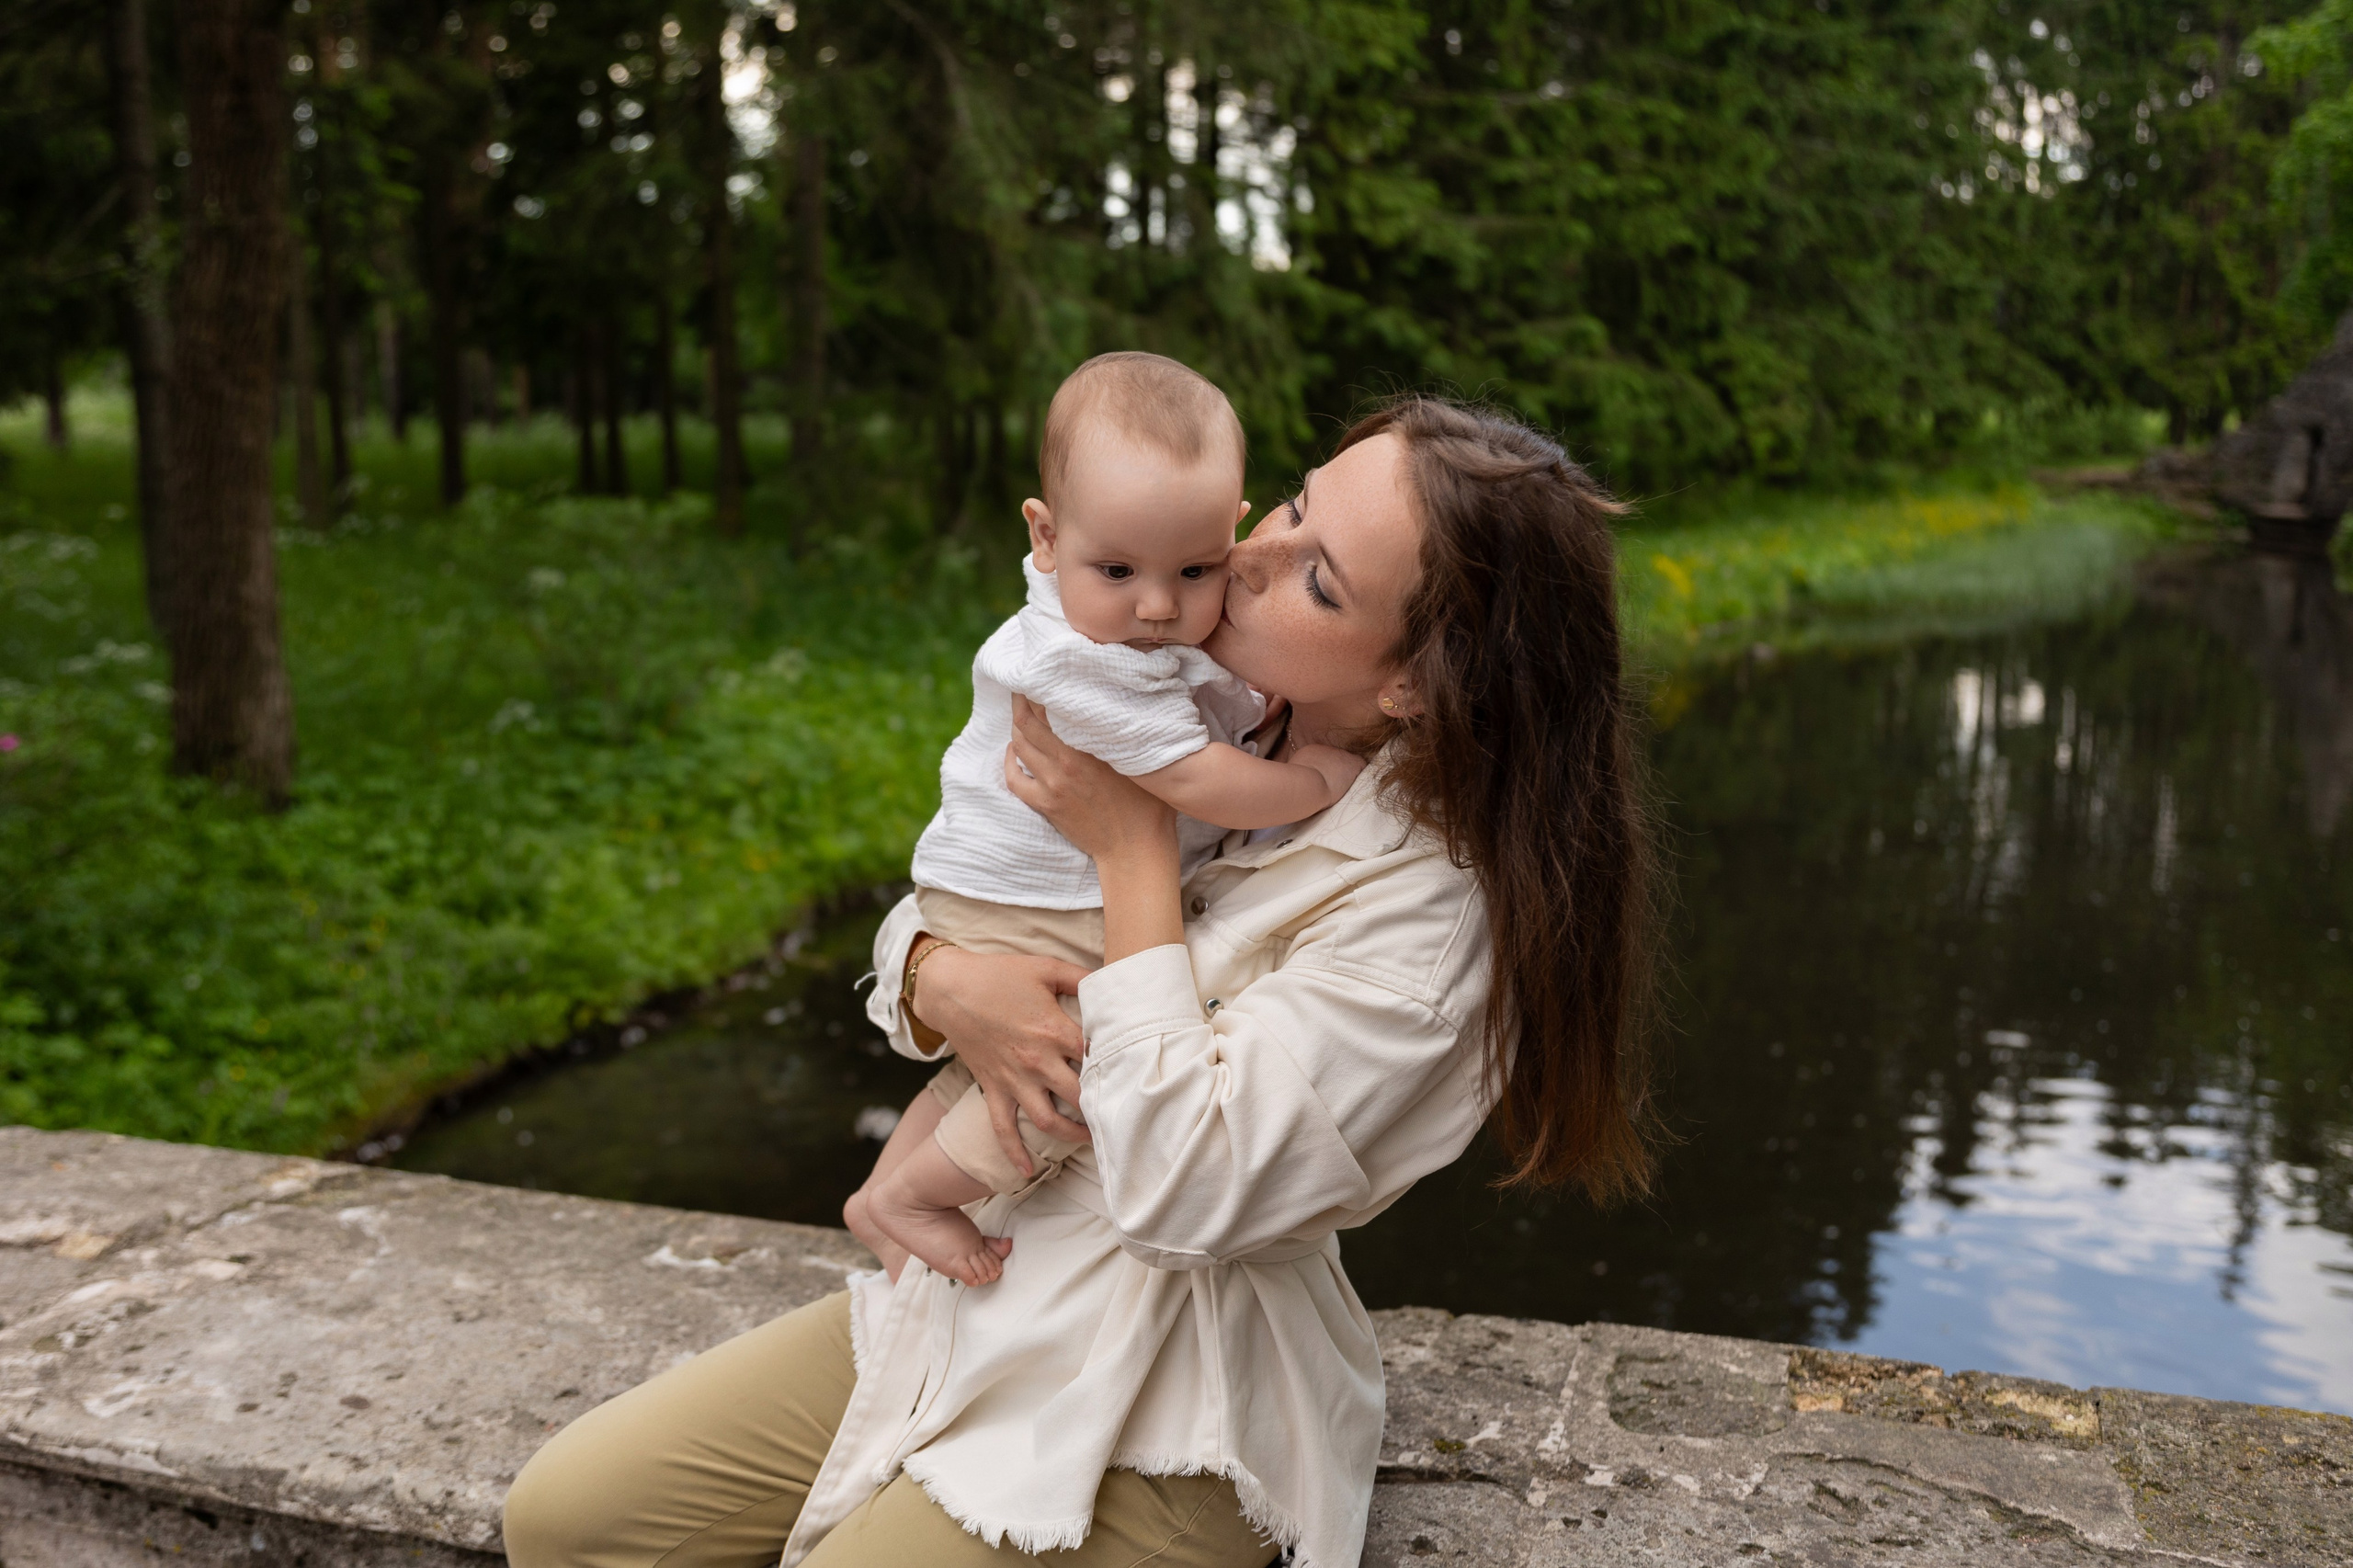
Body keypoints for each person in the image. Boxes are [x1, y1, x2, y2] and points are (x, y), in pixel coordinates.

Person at [501, 395, 1658, 1568]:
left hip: (1182, 1387)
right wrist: (935, 974)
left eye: (1318, 578)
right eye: (1296, 501)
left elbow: (1184, 1195)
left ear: (1414, 681)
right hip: (999, 1269)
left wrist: (1131, 848)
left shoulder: (1430, 908)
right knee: (563, 1520)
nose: (1245, 553)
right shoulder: (1218, 702)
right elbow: (978, 865)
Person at [844, 351, 1363, 1289]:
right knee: (1081, 1070)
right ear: (1044, 536)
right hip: (1032, 900)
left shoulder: (1115, 616)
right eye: (1118, 567)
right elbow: (1198, 780)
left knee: (990, 1068)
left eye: (1195, 567)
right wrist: (1310, 784)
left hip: (996, 889)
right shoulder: (1079, 661)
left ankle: (882, 1187)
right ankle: (917, 1194)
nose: (1159, 606)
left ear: (1229, 533)